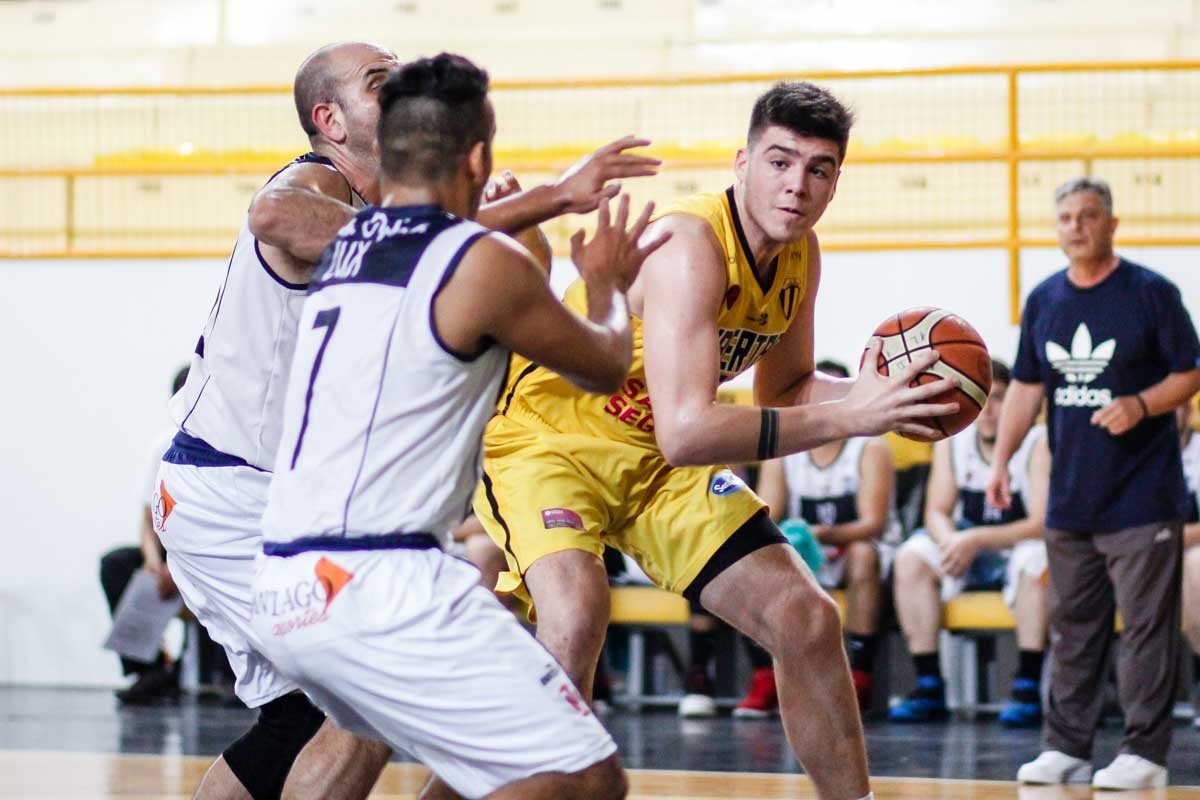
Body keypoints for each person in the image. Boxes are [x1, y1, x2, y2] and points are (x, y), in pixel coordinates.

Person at [156, 40, 658, 799]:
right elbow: (275, 212)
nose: (394, 88)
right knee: (573, 774)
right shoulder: (318, 185)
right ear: (329, 120)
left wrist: (545, 199)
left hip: (288, 533)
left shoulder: (377, 239)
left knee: (310, 724)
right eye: (377, 80)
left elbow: (417, 239)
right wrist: (593, 268)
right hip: (248, 501)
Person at [473, 80, 961, 800]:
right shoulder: (690, 246)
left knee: (806, 617)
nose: (796, 185)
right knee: (575, 615)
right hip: (553, 447)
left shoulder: (800, 255)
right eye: (779, 162)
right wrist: (849, 418)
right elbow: (690, 432)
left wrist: (879, 397)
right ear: (742, 163)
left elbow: (785, 389)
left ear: (835, 184)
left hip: (656, 467)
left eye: (818, 169)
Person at [987, 177, 1200, 790]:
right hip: (1072, 497)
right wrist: (1001, 461)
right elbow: (1027, 387)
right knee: (1073, 630)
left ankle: (1144, 753)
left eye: (1088, 216)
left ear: (1111, 224)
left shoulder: (1151, 293)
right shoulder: (1045, 300)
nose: (1076, 227)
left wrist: (1140, 403)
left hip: (1142, 496)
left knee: (1146, 630)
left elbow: (1189, 373)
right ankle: (1066, 747)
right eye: (1066, 218)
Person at [889, 359, 1050, 727]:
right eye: (982, 399)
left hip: (1016, 545)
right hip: (967, 546)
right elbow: (936, 511)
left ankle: (1027, 685)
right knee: (911, 557)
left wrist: (975, 539)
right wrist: (951, 541)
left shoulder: (1038, 442)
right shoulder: (954, 440)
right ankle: (929, 684)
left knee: (1036, 559)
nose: (989, 411)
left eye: (999, 399)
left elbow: (1041, 523)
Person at [742, 359, 900, 716]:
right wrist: (795, 537)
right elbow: (765, 513)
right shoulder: (785, 449)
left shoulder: (870, 447)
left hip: (858, 548)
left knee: (862, 554)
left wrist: (820, 534)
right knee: (749, 556)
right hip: (807, 549)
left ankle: (860, 674)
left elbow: (873, 523)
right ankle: (765, 674)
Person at [99, 365, 189, 705]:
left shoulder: (229, 448)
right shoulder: (164, 446)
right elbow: (148, 518)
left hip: (203, 555)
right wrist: (153, 562)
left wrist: (181, 568)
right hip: (168, 551)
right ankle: (148, 668)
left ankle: (220, 674)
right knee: (115, 564)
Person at [1175, 399, 1200, 728]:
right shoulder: (1136, 451)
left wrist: (1165, 536)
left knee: (1196, 564)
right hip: (1139, 549)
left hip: (1186, 550)